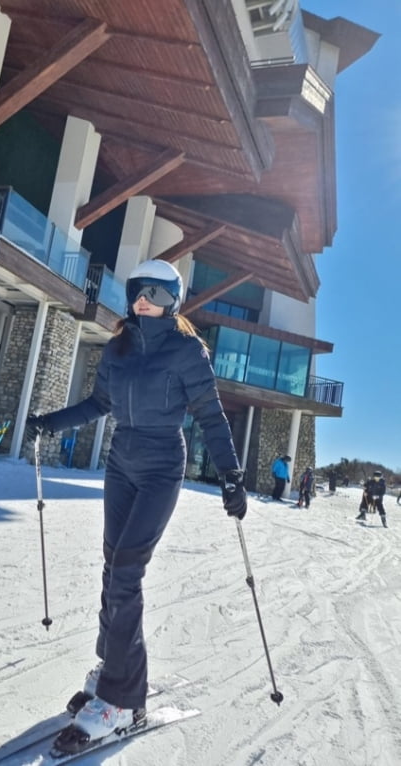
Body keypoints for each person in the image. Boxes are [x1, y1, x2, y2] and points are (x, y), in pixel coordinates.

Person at [25, 259, 246, 751]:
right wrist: (51, 422)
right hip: (121, 461)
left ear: (173, 299)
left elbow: (210, 415)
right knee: (112, 568)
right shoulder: (118, 348)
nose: (143, 298)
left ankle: (124, 700)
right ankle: (113, 664)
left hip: (162, 464)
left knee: (127, 570)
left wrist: (231, 475)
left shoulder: (188, 350)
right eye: (136, 290)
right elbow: (98, 404)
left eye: (156, 291)